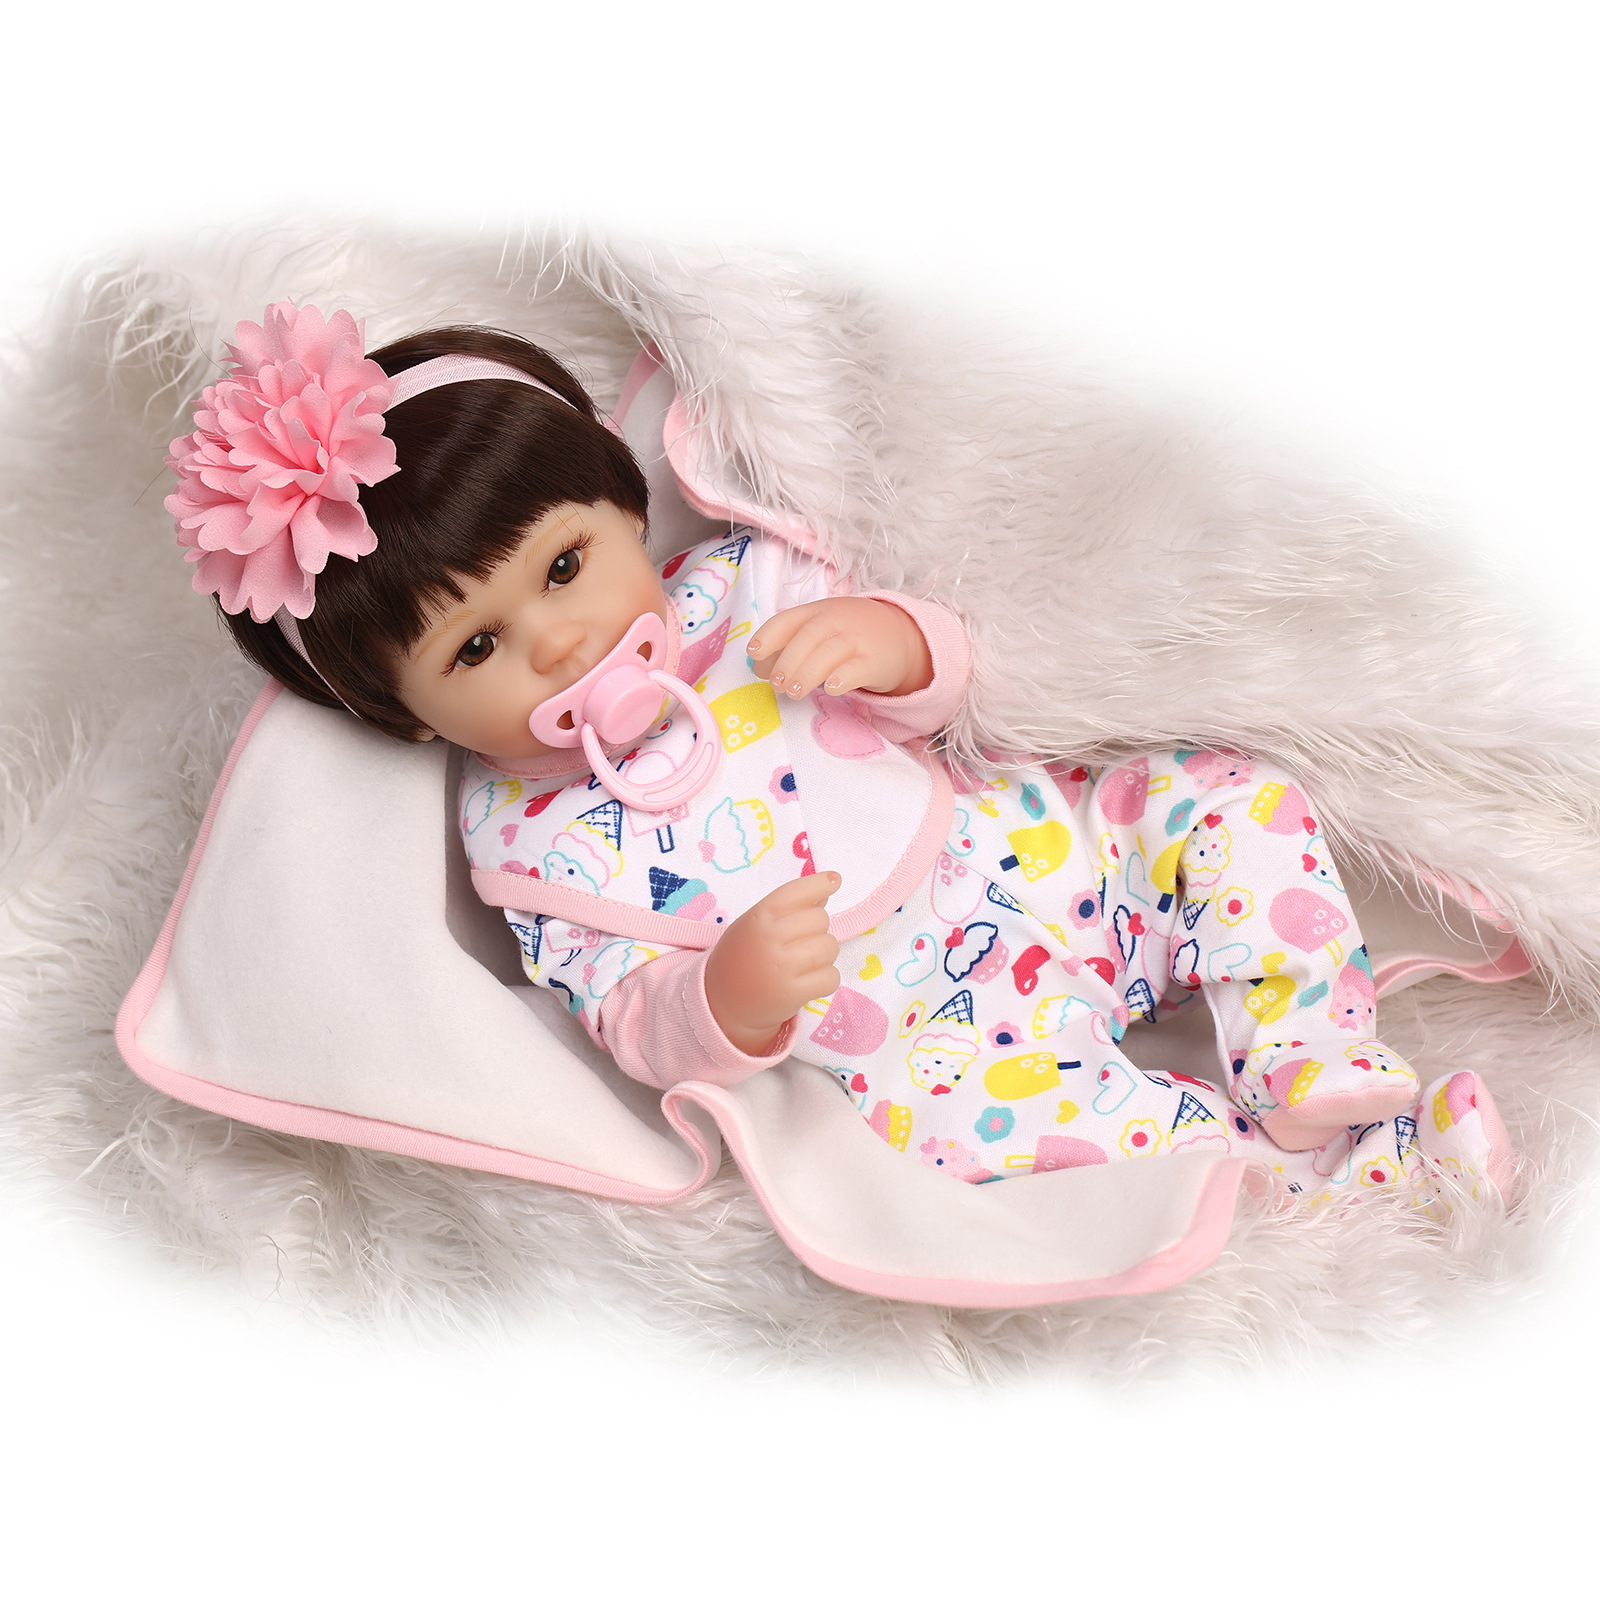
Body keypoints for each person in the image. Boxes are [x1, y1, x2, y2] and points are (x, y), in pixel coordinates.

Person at [170, 301, 1510, 1204]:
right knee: (1007, 1139)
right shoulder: (534, 850)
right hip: (929, 1028)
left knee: (1223, 797)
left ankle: (1305, 1058)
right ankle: (1329, 1175)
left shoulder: (745, 589)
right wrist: (725, 999)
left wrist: (900, 646)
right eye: (477, 649)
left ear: (626, 513)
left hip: (1054, 857)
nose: (560, 642)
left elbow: (960, 695)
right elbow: (628, 1015)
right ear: (412, 720)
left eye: (566, 567)